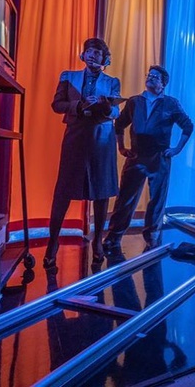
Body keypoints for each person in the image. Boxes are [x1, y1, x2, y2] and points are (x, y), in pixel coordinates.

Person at [43, 37, 122, 270]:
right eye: (89, 51)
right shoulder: (68, 76)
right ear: (83, 55)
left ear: (104, 59)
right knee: (64, 190)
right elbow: (56, 105)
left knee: (101, 191)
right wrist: (78, 105)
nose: (92, 56)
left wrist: (105, 104)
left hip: (101, 139)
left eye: (97, 53)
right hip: (76, 136)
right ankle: (52, 242)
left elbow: (116, 111)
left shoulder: (112, 81)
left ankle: (98, 241)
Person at [103, 65, 193, 253]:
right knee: (125, 198)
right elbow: (119, 125)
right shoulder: (135, 102)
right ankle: (113, 237)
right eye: (149, 75)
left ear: (163, 84)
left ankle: (152, 237)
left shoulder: (171, 103)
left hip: (159, 157)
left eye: (155, 77)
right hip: (136, 155)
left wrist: (176, 149)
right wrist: (121, 147)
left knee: (157, 199)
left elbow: (188, 126)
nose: (151, 78)